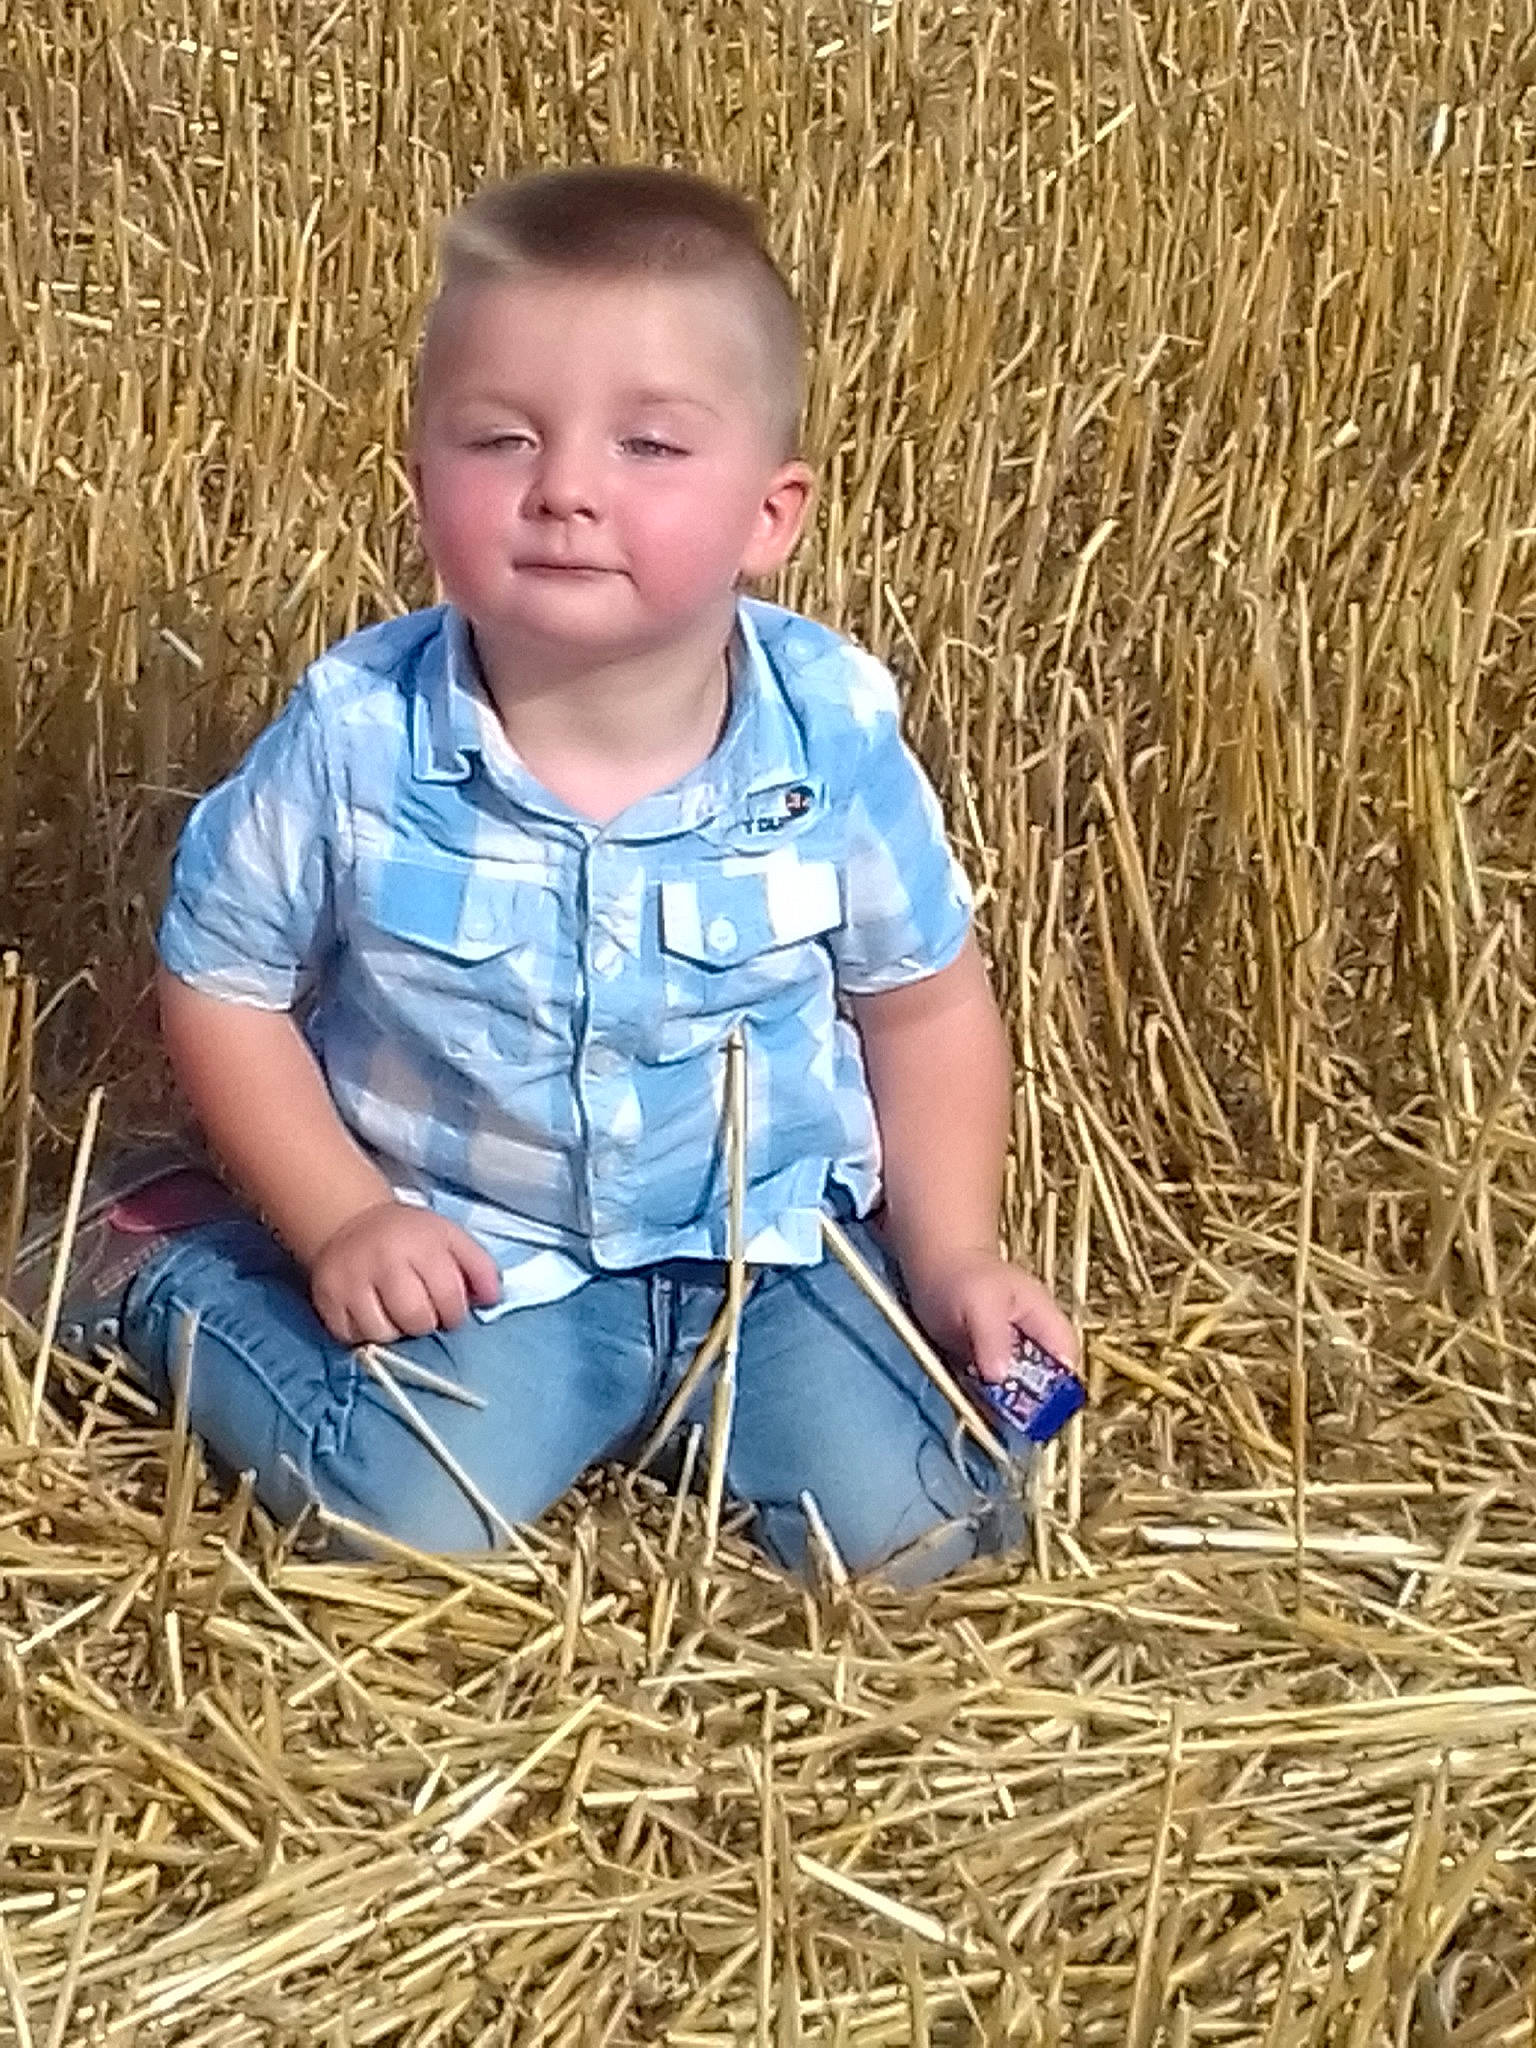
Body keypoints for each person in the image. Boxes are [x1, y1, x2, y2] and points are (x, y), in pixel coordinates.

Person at [34, 166, 1076, 1583]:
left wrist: (954, 1255)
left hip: (767, 1258)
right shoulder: (355, 741)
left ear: (772, 517)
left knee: (933, 1526)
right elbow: (222, 985)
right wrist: (345, 1217)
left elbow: (925, 1006)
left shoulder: (830, 736)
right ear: (421, 487)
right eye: (502, 438)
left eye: (649, 446)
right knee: (398, 1517)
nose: (567, 489)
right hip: (482, 1252)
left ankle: (714, 1406)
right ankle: (159, 1259)